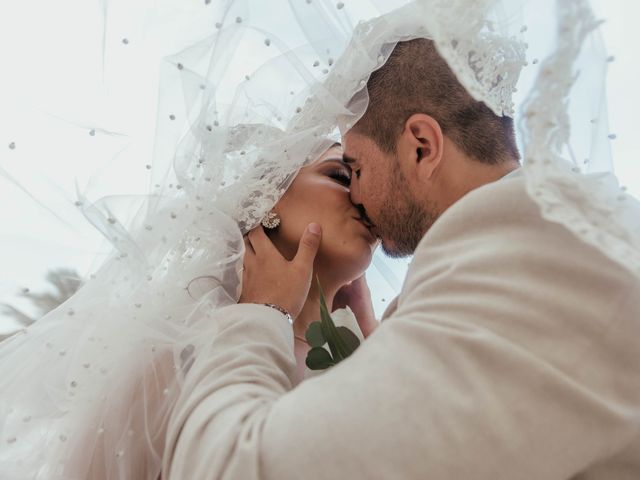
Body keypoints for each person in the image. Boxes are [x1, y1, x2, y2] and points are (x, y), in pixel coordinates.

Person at [162, 5, 640, 480]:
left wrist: (257, 316)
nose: (357, 195)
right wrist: (380, 354)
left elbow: (228, 467)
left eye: (357, 168)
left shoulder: (512, 270)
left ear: (421, 147)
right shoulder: (550, 237)